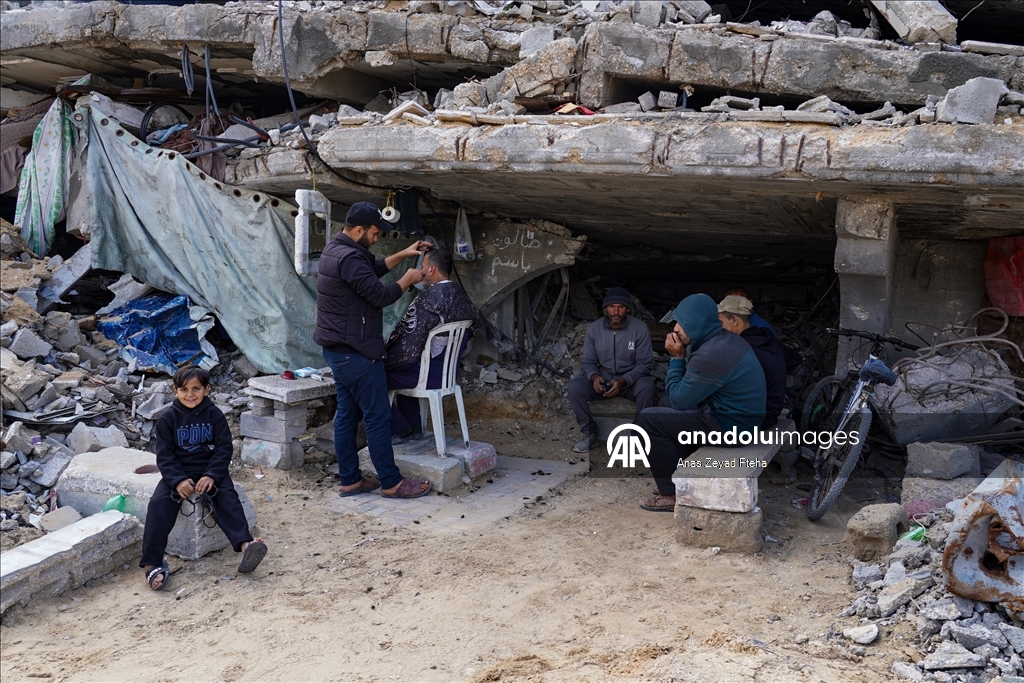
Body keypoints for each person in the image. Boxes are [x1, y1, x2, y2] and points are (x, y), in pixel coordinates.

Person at [314, 201, 432, 500]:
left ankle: (350, 480)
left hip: (338, 350)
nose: (377, 239)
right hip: (356, 352)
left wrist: (404, 255)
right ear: (357, 230)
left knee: (346, 416)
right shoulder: (350, 258)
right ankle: (391, 483)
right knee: (378, 417)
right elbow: (379, 295)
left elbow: (370, 272)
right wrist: (408, 278)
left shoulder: (337, 250)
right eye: (374, 234)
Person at [140, 365, 266, 590]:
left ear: (206, 389)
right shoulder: (168, 418)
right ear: (175, 391)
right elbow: (165, 455)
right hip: (179, 470)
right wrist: (178, 480)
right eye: (184, 389)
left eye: (196, 388)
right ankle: (152, 562)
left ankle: (246, 545)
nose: (190, 395)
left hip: (210, 468)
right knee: (159, 504)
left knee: (228, 497)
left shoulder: (214, 414)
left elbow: (224, 448)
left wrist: (212, 475)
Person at [636, 294, 766, 512]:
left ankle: (671, 494)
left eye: (682, 324)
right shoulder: (723, 339)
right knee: (665, 404)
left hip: (733, 428)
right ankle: (679, 474)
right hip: (741, 418)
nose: (675, 328)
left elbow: (680, 399)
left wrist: (676, 358)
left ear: (697, 324)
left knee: (648, 420)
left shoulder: (711, 354)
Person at [385, 248, 477, 441]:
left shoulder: (429, 298)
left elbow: (408, 339)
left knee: (372, 376)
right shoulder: (462, 295)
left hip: (428, 375)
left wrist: (384, 355)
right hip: (448, 374)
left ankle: (398, 427)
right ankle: (414, 427)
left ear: (432, 269)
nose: (421, 271)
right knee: (406, 365)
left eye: (423, 267)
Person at [567, 287, 655, 453]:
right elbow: (588, 362)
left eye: (620, 307)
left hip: (630, 382)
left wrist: (624, 380)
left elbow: (645, 364)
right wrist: (594, 377)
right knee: (575, 386)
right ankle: (589, 433)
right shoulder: (594, 329)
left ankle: (639, 436)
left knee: (647, 386)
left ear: (627, 309)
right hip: (604, 380)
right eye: (611, 307)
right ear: (605, 309)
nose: (616, 311)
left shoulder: (639, 329)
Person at [718, 295, 787, 427]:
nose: (719, 328)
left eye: (721, 323)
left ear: (734, 320)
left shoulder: (742, 348)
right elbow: (794, 358)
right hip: (772, 411)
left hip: (756, 419)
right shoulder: (764, 337)